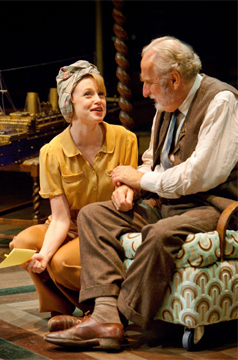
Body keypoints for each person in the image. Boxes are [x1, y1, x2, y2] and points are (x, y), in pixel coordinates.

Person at [44, 37, 238, 350]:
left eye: (148, 83)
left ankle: (115, 319)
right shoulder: (167, 105)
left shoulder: (220, 101)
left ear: (174, 79)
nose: (144, 91)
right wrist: (129, 187)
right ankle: (104, 312)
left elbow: (199, 176)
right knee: (96, 215)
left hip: (212, 205)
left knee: (160, 234)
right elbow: (153, 162)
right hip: (167, 201)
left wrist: (140, 181)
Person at [9, 60, 138, 323]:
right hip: (69, 225)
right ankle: (62, 307)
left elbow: (130, 189)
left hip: (105, 227)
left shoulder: (125, 139)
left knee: (62, 263)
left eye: (100, 93)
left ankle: (101, 310)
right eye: (88, 94)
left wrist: (127, 192)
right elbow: (59, 218)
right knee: (22, 245)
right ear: (70, 103)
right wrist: (43, 254)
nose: (98, 100)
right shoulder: (52, 151)